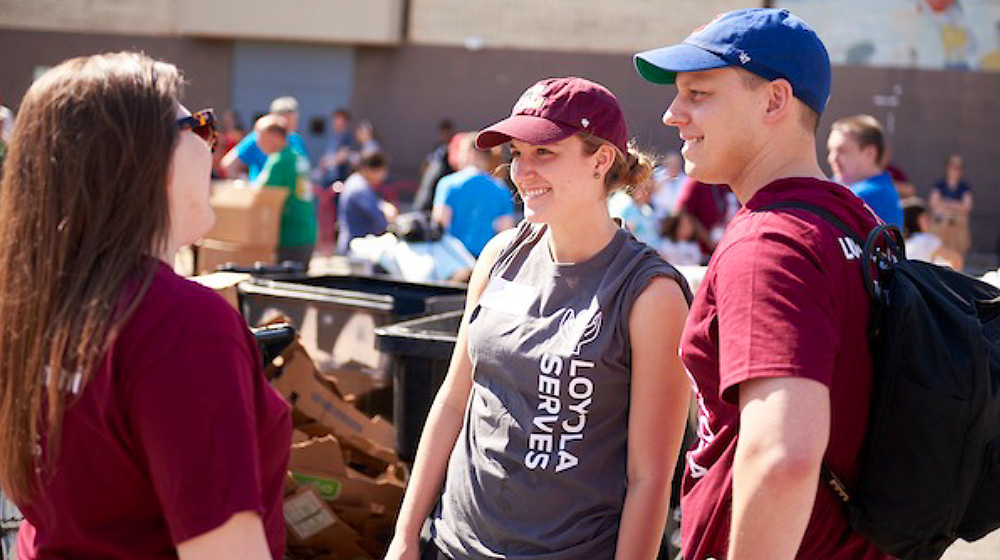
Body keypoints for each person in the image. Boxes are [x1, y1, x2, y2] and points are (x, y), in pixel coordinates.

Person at [386, 76, 692, 560]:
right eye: (515, 154)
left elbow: (650, 476)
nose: (522, 170)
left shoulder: (650, 293)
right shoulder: (499, 255)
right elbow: (452, 401)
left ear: (601, 159)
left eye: (544, 152)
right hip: (454, 544)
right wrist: (406, 535)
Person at [0, 52, 290, 560]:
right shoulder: (182, 324)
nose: (212, 143)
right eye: (198, 126)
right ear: (142, 160)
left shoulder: (30, 297)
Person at [635, 8, 890, 560]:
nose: (672, 114)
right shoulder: (859, 224)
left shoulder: (771, 246)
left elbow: (783, 457)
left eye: (698, 93)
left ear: (774, 100)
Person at [431, 134, 516, 258]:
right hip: (484, 260)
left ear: (469, 153)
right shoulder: (501, 189)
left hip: (454, 260)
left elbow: (439, 226)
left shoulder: (448, 183)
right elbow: (506, 234)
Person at [255, 115, 317, 270]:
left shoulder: (278, 161)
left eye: (261, 137)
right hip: (306, 233)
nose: (258, 143)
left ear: (275, 137)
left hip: (288, 236)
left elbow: (260, 195)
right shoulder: (298, 156)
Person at [827, 114, 904, 228]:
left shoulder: (862, 196)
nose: (832, 159)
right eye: (831, 150)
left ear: (870, 153)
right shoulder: (849, 188)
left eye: (842, 151)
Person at [220, 96, 309, 181]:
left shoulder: (296, 141)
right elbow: (228, 164)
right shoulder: (256, 138)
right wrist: (243, 184)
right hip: (264, 191)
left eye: (293, 122)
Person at [337, 151, 396, 255]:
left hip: (353, 242)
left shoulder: (356, 181)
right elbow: (380, 223)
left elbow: (374, 204)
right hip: (354, 247)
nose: (384, 176)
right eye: (381, 171)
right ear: (369, 170)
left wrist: (383, 206)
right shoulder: (360, 188)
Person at [929, 153, 973, 258]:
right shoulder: (939, 184)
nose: (955, 170)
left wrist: (947, 204)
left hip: (957, 227)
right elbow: (934, 203)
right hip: (941, 225)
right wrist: (955, 206)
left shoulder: (964, 187)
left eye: (958, 167)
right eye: (953, 166)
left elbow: (967, 207)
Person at [902, 197, 963, 270]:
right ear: (920, 220)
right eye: (926, 219)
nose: (929, 222)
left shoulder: (902, 243)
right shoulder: (927, 240)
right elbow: (956, 260)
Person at [412, 119, 457, 213]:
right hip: (431, 191)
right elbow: (426, 164)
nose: (445, 135)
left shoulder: (454, 148)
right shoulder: (439, 149)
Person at [312, 108, 355, 188]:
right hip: (328, 178)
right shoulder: (334, 137)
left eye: (338, 119)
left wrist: (328, 162)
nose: (335, 121)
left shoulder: (346, 137)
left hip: (338, 179)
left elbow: (343, 156)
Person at [650, 151, 687, 219]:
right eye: (671, 164)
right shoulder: (658, 175)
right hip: (658, 213)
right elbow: (651, 190)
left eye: (676, 165)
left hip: (677, 215)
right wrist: (666, 180)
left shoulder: (684, 179)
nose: (673, 167)